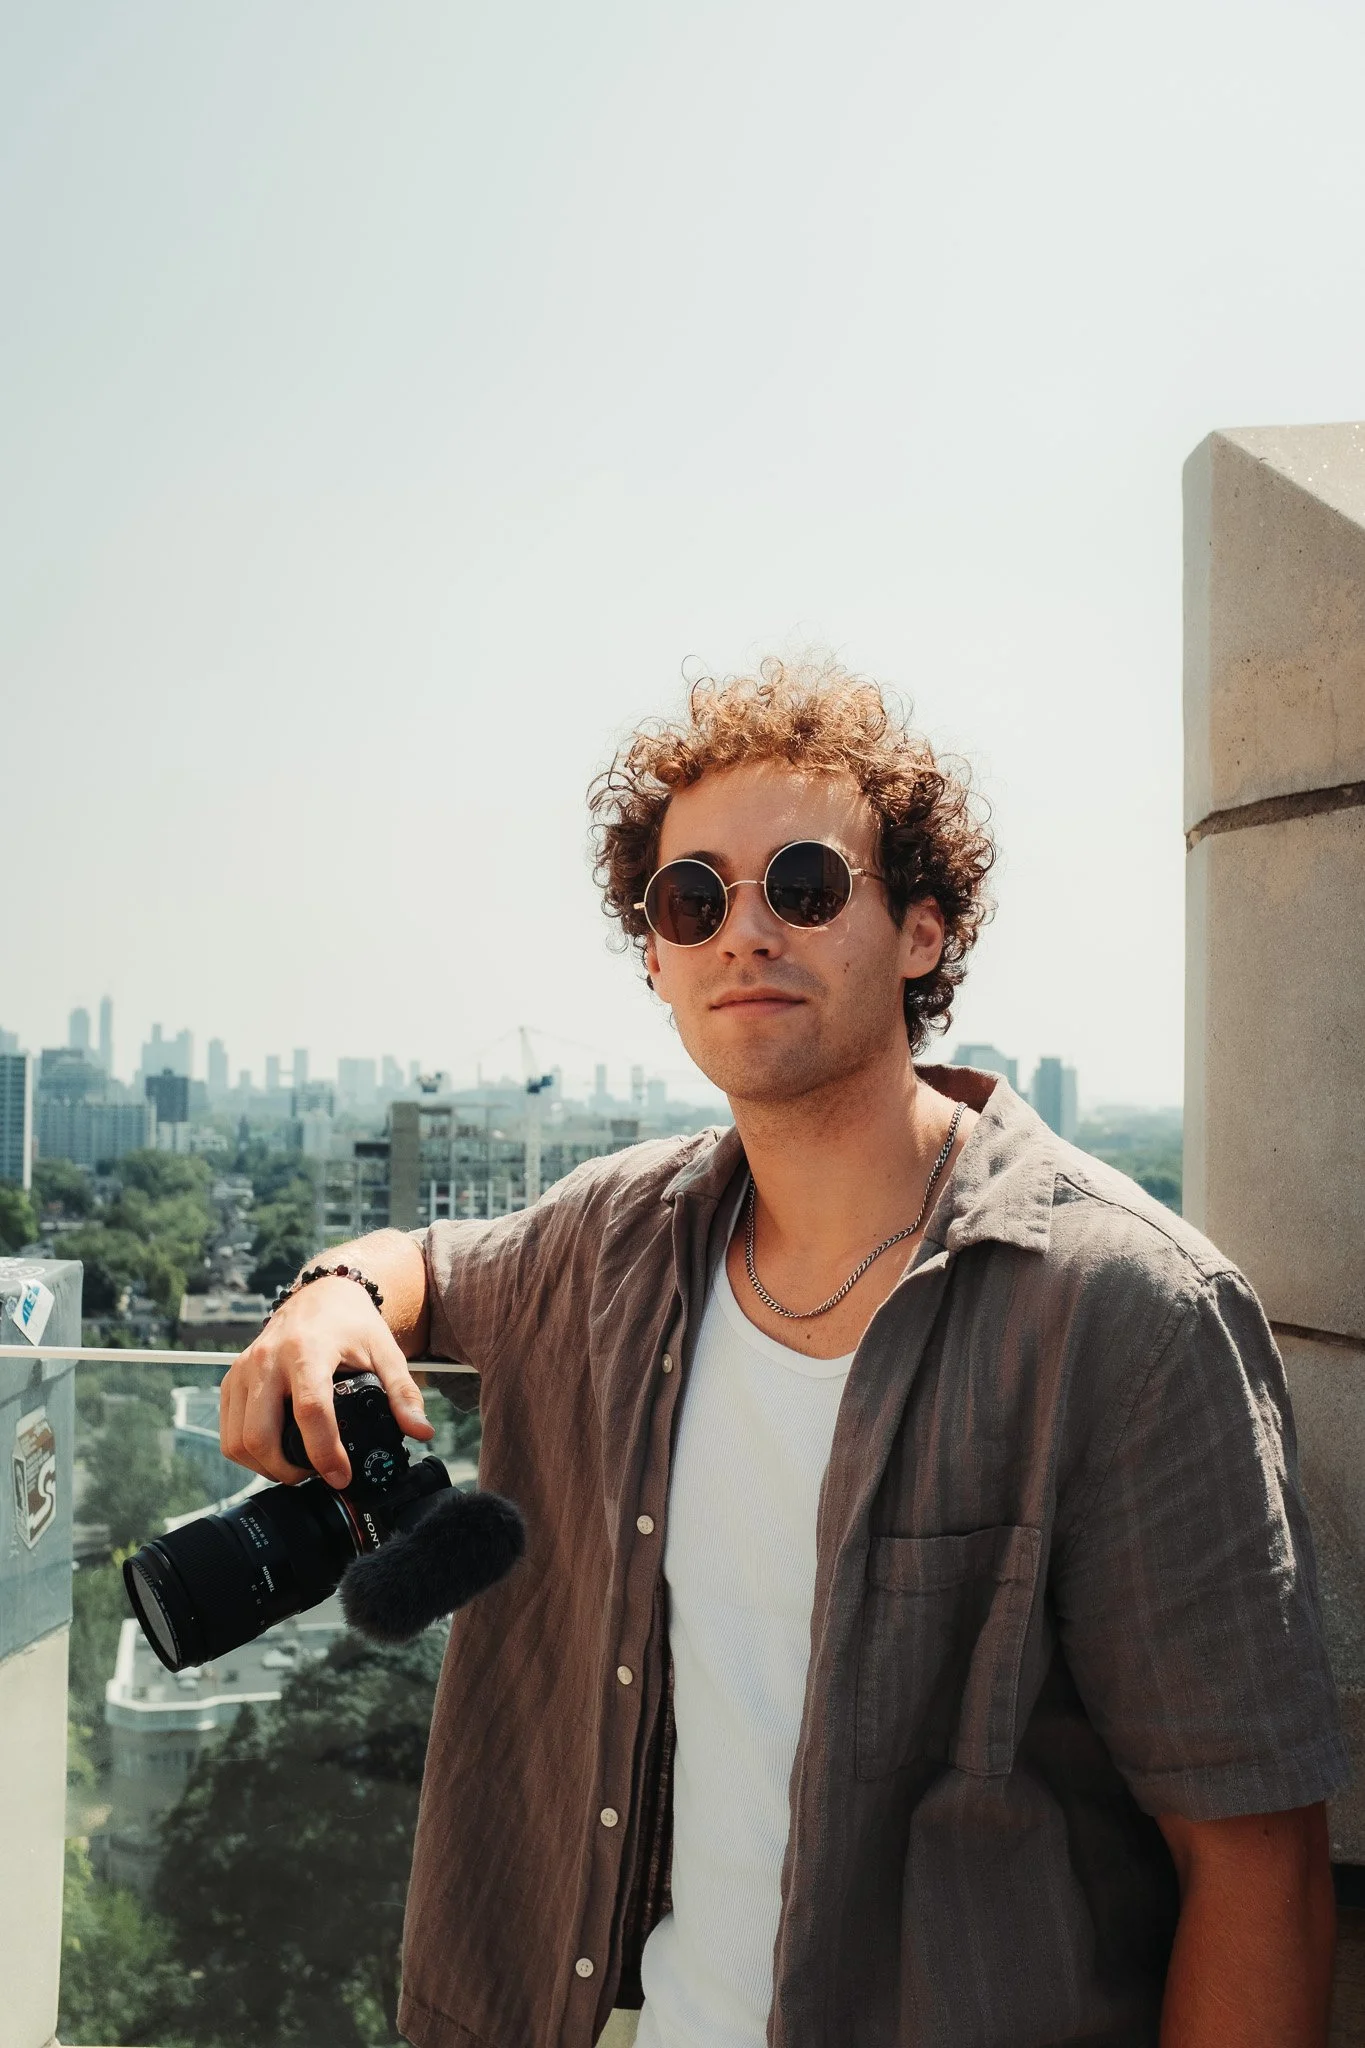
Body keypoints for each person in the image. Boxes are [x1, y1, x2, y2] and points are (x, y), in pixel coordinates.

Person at [221, 658, 1348, 2048]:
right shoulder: (620, 1245)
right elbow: (432, 1271)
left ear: (923, 932)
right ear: (658, 961)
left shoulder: (1126, 1313)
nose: (743, 932)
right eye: (693, 902)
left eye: (804, 885)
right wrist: (327, 1295)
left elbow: (1259, 1872)